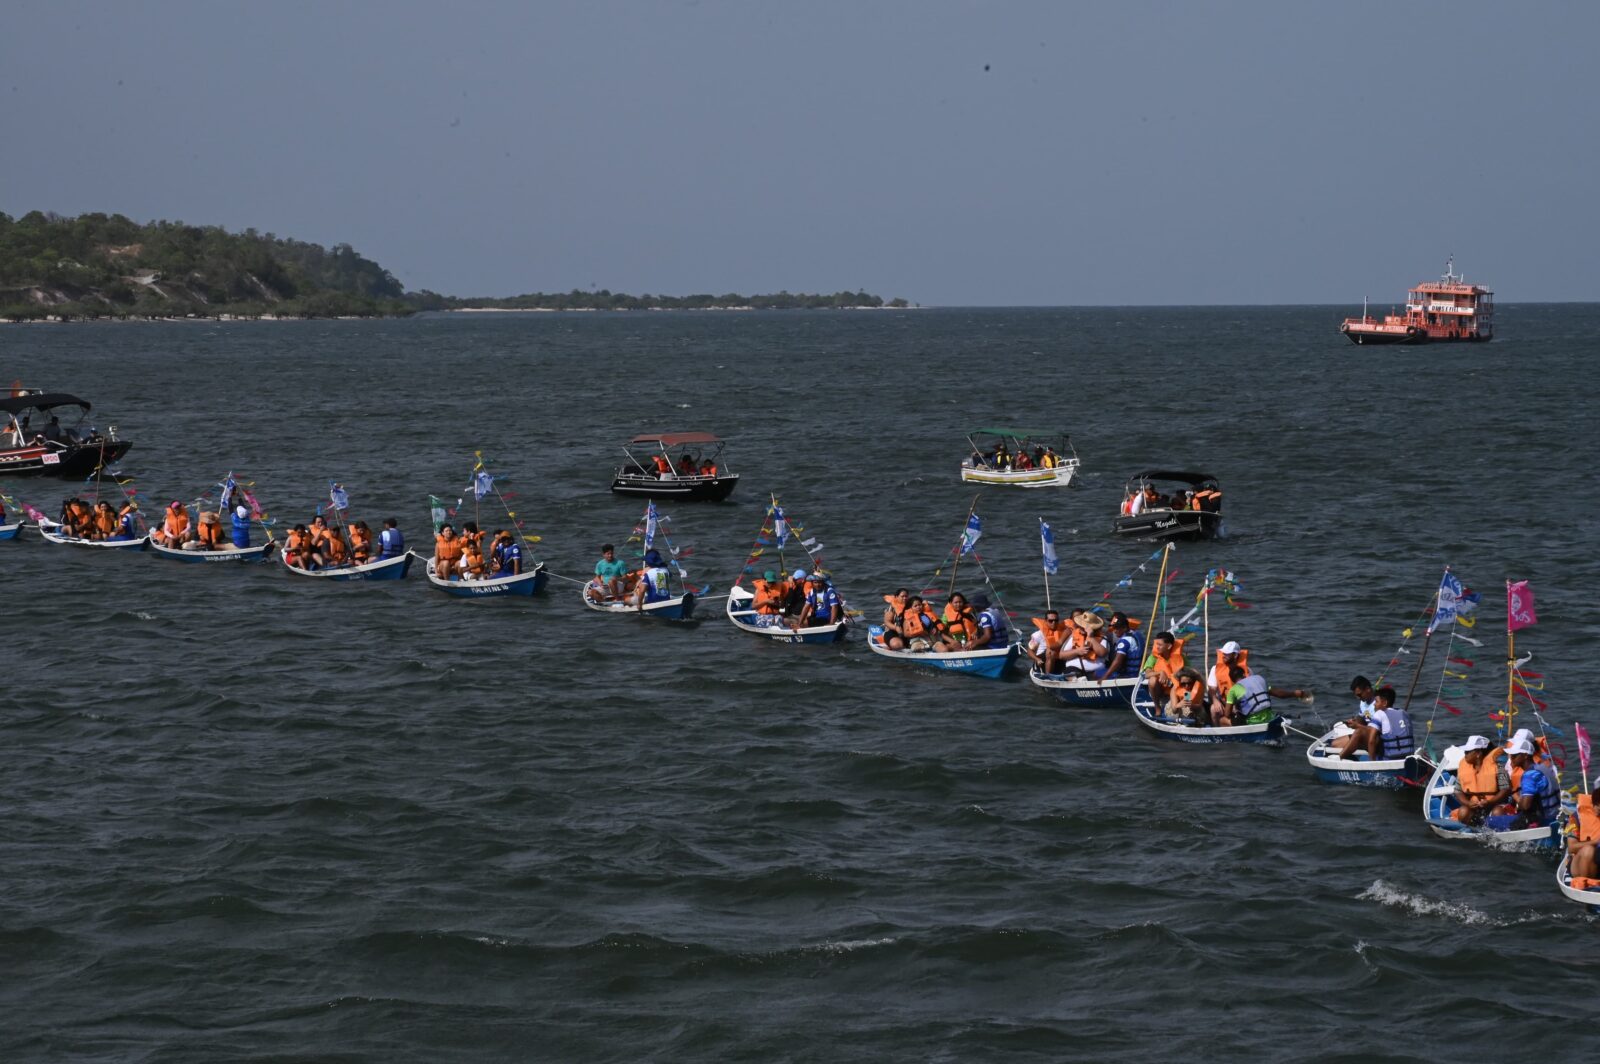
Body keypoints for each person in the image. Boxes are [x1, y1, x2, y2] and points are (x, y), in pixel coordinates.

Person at [1485, 734, 1563, 832]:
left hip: (1542, 820)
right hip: (1554, 816)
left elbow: (1525, 806)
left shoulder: (1529, 775)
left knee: (1489, 821)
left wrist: (1516, 798)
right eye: (1511, 755)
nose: (1511, 758)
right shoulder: (1543, 767)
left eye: (1515, 755)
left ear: (1525, 756)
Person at [1338, 686, 1414, 761]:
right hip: (1407, 756)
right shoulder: (1404, 713)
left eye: (1376, 701)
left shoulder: (1380, 713)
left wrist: (1372, 762)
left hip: (1390, 757)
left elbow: (1371, 741)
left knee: (1359, 732)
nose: (1374, 704)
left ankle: (1339, 758)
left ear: (1384, 703)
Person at [1450, 735, 1511, 826]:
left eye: (1468, 752)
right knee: (1463, 811)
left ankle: (1499, 830)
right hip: (1474, 807)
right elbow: (1458, 791)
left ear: (1478, 753)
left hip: (1495, 804)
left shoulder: (1498, 768)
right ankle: (1469, 829)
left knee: (1497, 812)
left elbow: (1505, 789)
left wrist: (1490, 802)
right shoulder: (1464, 769)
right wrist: (1468, 803)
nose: (1465, 754)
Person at [1217, 670, 1307, 727]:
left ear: (1232, 681)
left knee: (1222, 720)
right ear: (1244, 674)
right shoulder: (1259, 679)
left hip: (1252, 722)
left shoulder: (1233, 690)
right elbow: (1280, 694)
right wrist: (1294, 693)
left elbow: (1227, 714)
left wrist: (1235, 710)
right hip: (1269, 717)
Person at [1053, 611, 1106, 676]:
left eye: (1084, 626)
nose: (1081, 627)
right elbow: (1061, 655)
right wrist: (1077, 651)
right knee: (1071, 675)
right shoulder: (1074, 636)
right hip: (1074, 669)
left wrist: (1091, 638)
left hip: (1095, 671)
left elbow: (1102, 653)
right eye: (1081, 625)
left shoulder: (1101, 637)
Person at [1141, 631, 1186, 704]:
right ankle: (1157, 706)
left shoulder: (1181, 657)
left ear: (1169, 646)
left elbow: (1190, 675)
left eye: (1160, 645)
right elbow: (1146, 674)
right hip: (1160, 690)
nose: (1157, 647)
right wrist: (1160, 673)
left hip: (1176, 688)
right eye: (1156, 644)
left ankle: (1187, 703)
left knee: (1187, 682)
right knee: (1152, 680)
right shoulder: (1153, 657)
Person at [1096, 613, 1143, 683]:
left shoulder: (1124, 641)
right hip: (1136, 672)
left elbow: (1117, 661)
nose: (1114, 631)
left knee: (1097, 672)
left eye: (1117, 628)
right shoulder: (1137, 634)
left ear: (1124, 627)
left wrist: (1105, 676)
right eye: (1114, 628)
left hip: (1126, 675)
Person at [1208, 641, 1250, 716]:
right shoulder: (1215, 669)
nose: (1223, 655)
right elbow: (1211, 689)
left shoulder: (1246, 670)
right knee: (1213, 709)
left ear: (1235, 655)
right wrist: (1215, 700)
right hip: (1224, 702)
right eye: (1223, 653)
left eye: (1227, 653)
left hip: (1241, 703)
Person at [1567, 793, 1600, 889]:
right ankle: (1584, 884)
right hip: (1579, 863)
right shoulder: (1574, 818)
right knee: (1588, 850)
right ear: (1593, 804)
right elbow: (1571, 848)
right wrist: (1595, 841)